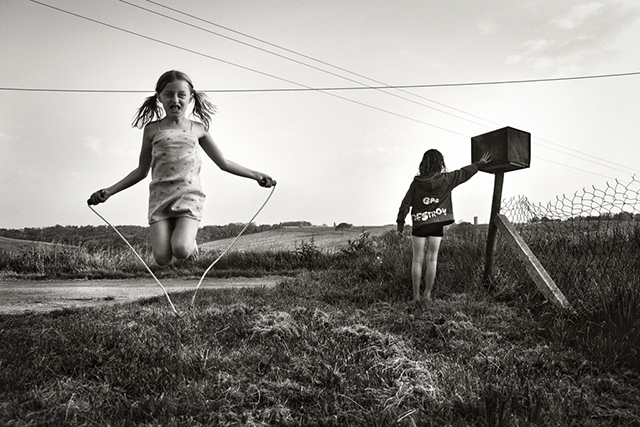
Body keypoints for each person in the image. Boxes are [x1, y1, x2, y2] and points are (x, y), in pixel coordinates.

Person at [89, 70, 275, 265]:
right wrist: (109, 191)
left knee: (181, 249)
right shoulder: (152, 129)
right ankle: (180, 240)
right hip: (160, 199)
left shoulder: (198, 128)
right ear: (159, 97)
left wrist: (256, 175)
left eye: (181, 94)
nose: (175, 99)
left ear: (190, 97)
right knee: (161, 258)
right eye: (169, 94)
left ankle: (190, 244)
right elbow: (140, 171)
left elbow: (223, 163)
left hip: (189, 198)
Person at [396, 149, 490, 306]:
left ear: (423, 163)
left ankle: (415, 296)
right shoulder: (447, 179)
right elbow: (465, 172)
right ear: (441, 163)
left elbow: (405, 203)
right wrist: (480, 164)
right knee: (432, 258)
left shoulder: (417, 183)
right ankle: (427, 295)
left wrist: (400, 223)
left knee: (417, 259)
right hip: (436, 224)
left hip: (420, 224)